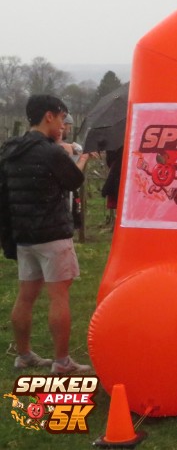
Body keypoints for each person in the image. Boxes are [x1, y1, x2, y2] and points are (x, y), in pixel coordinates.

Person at [0, 95, 96, 374]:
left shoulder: (10, 149)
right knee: (58, 296)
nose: (63, 125)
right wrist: (82, 158)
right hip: (53, 235)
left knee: (25, 296)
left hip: (23, 235)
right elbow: (73, 181)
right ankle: (62, 362)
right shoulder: (50, 152)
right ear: (49, 116)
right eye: (62, 118)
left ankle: (24, 355)